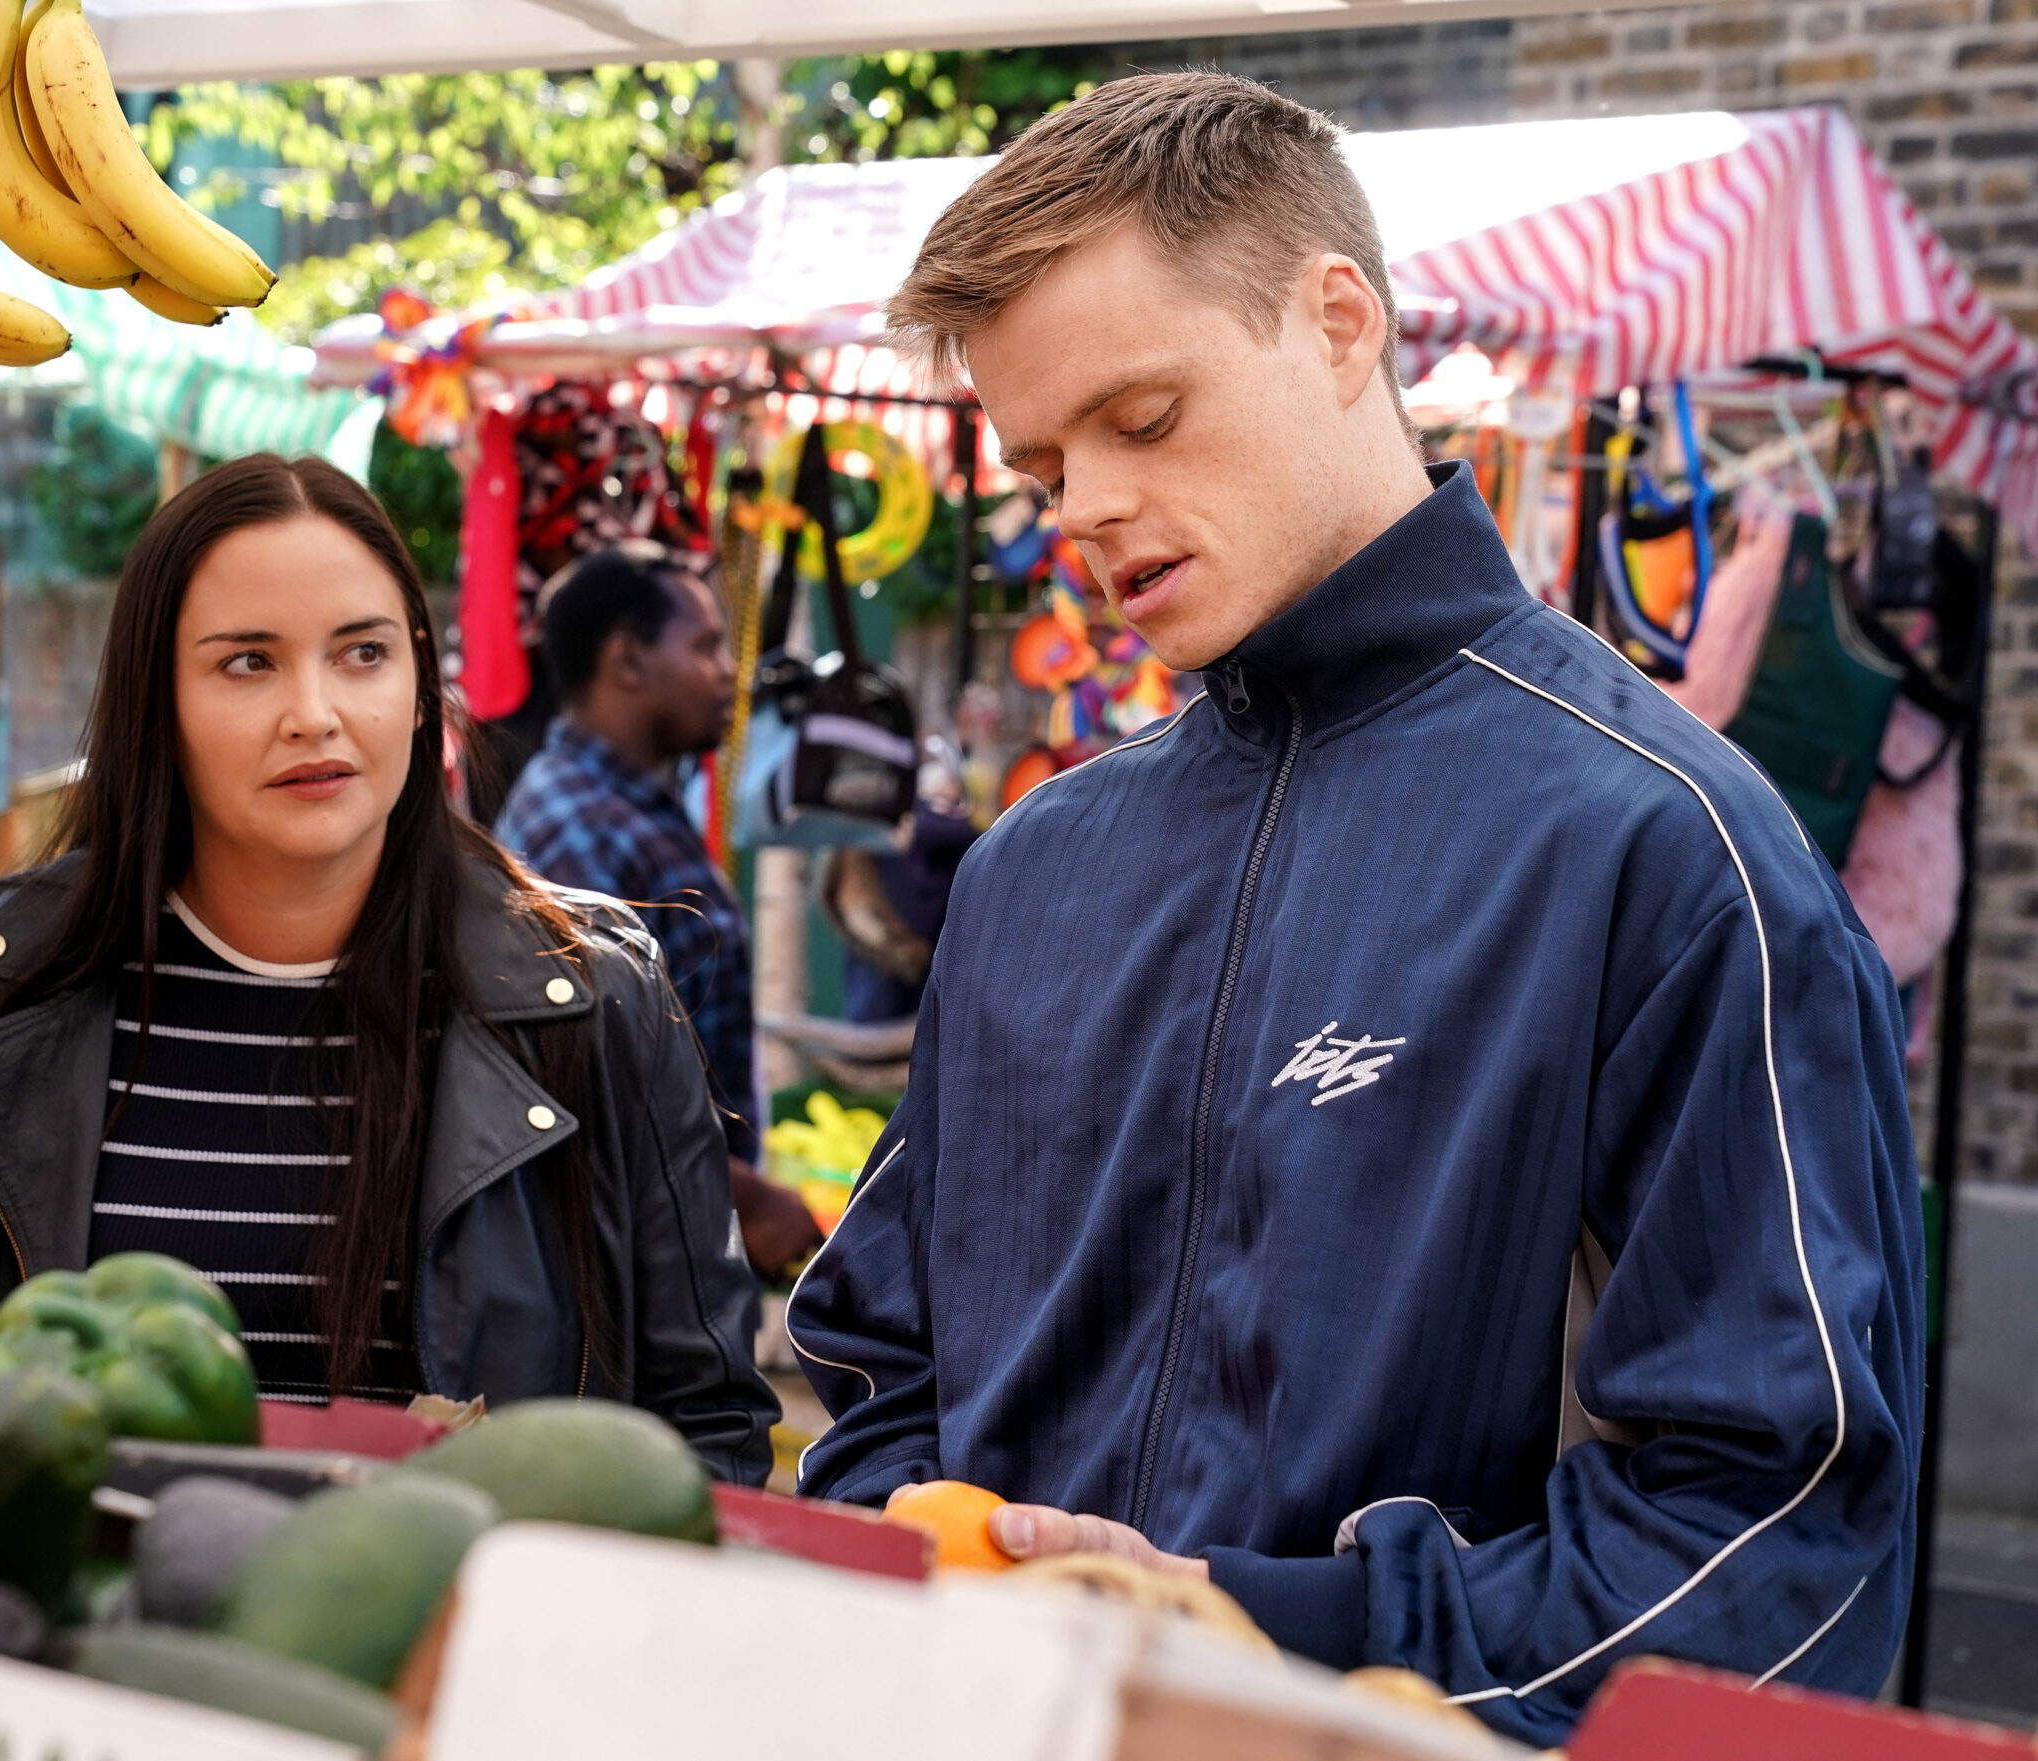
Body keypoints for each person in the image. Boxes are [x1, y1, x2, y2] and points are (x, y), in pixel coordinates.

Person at [789, 72, 1921, 1744]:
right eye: (1039, 461)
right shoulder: (1035, 865)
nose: (1082, 503)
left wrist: (1240, 1633)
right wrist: (937, 1572)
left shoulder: (1666, 853)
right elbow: (879, 1361)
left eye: (1144, 419)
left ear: (1337, 324)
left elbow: (1774, 1538)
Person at [0, 455, 775, 1481]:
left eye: (362, 655)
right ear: (159, 700)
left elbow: (704, 1430)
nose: (315, 714)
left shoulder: (592, 1001)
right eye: (249, 662)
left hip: (453, 1621)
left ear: (420, 689)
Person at [494, 543, 825, 1281]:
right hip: (619, 1263)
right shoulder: (577, 827)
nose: (726, 672)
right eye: (705, 646)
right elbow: (588, 1076)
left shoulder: (630, 805)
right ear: (628, 661)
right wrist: (745, 1198)